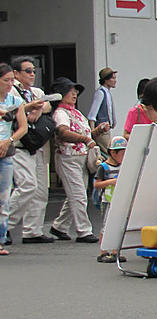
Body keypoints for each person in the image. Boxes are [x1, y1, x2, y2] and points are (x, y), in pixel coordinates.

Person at [8, 57, 55, 244]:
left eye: (34, 70)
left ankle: (32, 230)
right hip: (18, 144)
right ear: (16, 73)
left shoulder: (35, 91)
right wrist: (31, 107)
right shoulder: (12, 90)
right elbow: (11, 110)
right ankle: (5, 225)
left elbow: (49, 102)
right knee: (27, 186)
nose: (32, 74)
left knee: (39, 190)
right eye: (27, 71)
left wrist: (39, 108)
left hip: (35, 145)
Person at [49, 77, 101, 243]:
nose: (74, 94)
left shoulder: (75, 112)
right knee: (78, 194)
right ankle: (83, 230)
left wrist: (96, 132)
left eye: (75, 91)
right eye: (70, 91)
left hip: (80, 157)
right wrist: (86, 140)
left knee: (75, 194)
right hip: (68, 156)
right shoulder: (61, 113)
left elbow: (84, 133)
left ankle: (60, 226)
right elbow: (62, 133)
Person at [0, 63, 30, 254]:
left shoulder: (14, 100)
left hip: (6, 151)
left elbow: (23, 127)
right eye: (6, 80)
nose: (10, 84)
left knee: (4, 199)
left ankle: (1, 239)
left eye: (12, 80)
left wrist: (8, 141)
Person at [94, 136, 127, 263]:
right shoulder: (104, 167)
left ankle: (115, 251)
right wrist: (112, 182)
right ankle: (103, 251)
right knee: (106, 226)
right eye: (122, 153)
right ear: (113, 152)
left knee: (118, 225)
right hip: (107, 200)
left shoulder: (123, 166)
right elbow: (97, 185)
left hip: (120, 200)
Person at [87, 67, 116, 155]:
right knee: (108, 153)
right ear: (106, 80)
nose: (115, 80)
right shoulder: (100, 93)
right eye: (112, 78)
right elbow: (92, 114)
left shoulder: (107, 92)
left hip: (107, 129)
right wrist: (93, 131)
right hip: (102, 131)